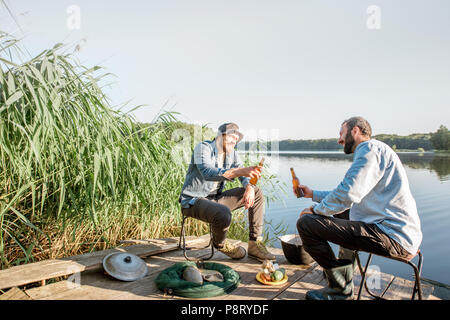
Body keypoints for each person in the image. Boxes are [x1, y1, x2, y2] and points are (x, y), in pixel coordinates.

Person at [295, 116, 423, 300]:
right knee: (343, 212)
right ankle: (342, 271)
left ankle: (341, 288)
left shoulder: (369, 149)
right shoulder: (377, 150)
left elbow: (348, 194)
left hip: (394, 236)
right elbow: (347, 194)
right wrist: (312, 194)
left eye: (341, 133)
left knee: (306, 223)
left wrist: (315, 210)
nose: (339, 140)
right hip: (396, 231)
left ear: (354, 130)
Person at [179, 122, 276, 261]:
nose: (234, 142)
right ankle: (220, 244)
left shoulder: (232, 154)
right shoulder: (203, 148)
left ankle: (255, 244)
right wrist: (239, 171)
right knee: (223, 213)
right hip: (193, 201)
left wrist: (249, 187)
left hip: (216, 199)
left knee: (257, 192)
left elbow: (244, 176)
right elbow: (208, 172)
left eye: (237, 140)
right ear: (220, 136)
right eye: (232, 137)